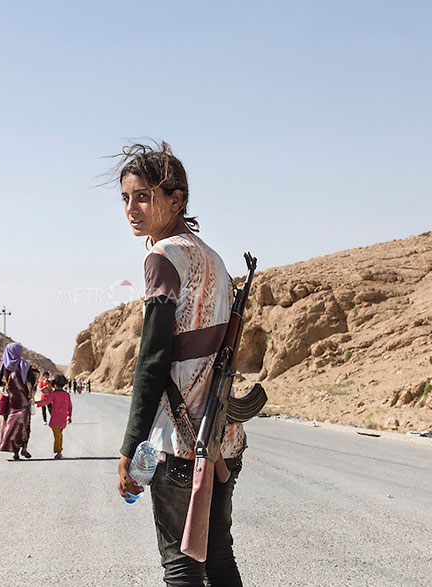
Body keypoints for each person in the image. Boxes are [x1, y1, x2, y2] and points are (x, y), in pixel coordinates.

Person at [114, 142, 245, 586]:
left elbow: (152, 360)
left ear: (177, 199)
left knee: (181, 565)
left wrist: (130, 446)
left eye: (144, 196)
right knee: (219, 557)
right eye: (126, 198)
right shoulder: (216, 260)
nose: (132, 208)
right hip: (224, 435)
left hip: (179, 439)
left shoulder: (162, 257)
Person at [0, 342, 37, 460]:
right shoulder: (24, 365)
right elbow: (32, 380)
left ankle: (14, 451)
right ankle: (23, 448)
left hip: (11, 400)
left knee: (9, 423)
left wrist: (6, 385)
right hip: (23, 400)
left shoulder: (4, 365)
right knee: (24, 425)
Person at [35, 374, 73, 459]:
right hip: (63, 419)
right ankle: (59, 450)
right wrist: (69, 416)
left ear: (55, 384)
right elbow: (70, 407)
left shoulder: (53, 394)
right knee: (59, 434)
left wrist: (36, 403)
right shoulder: (66, 395)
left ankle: (58, 451)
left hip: (55, 418)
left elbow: (45, 402)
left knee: (57, 435)